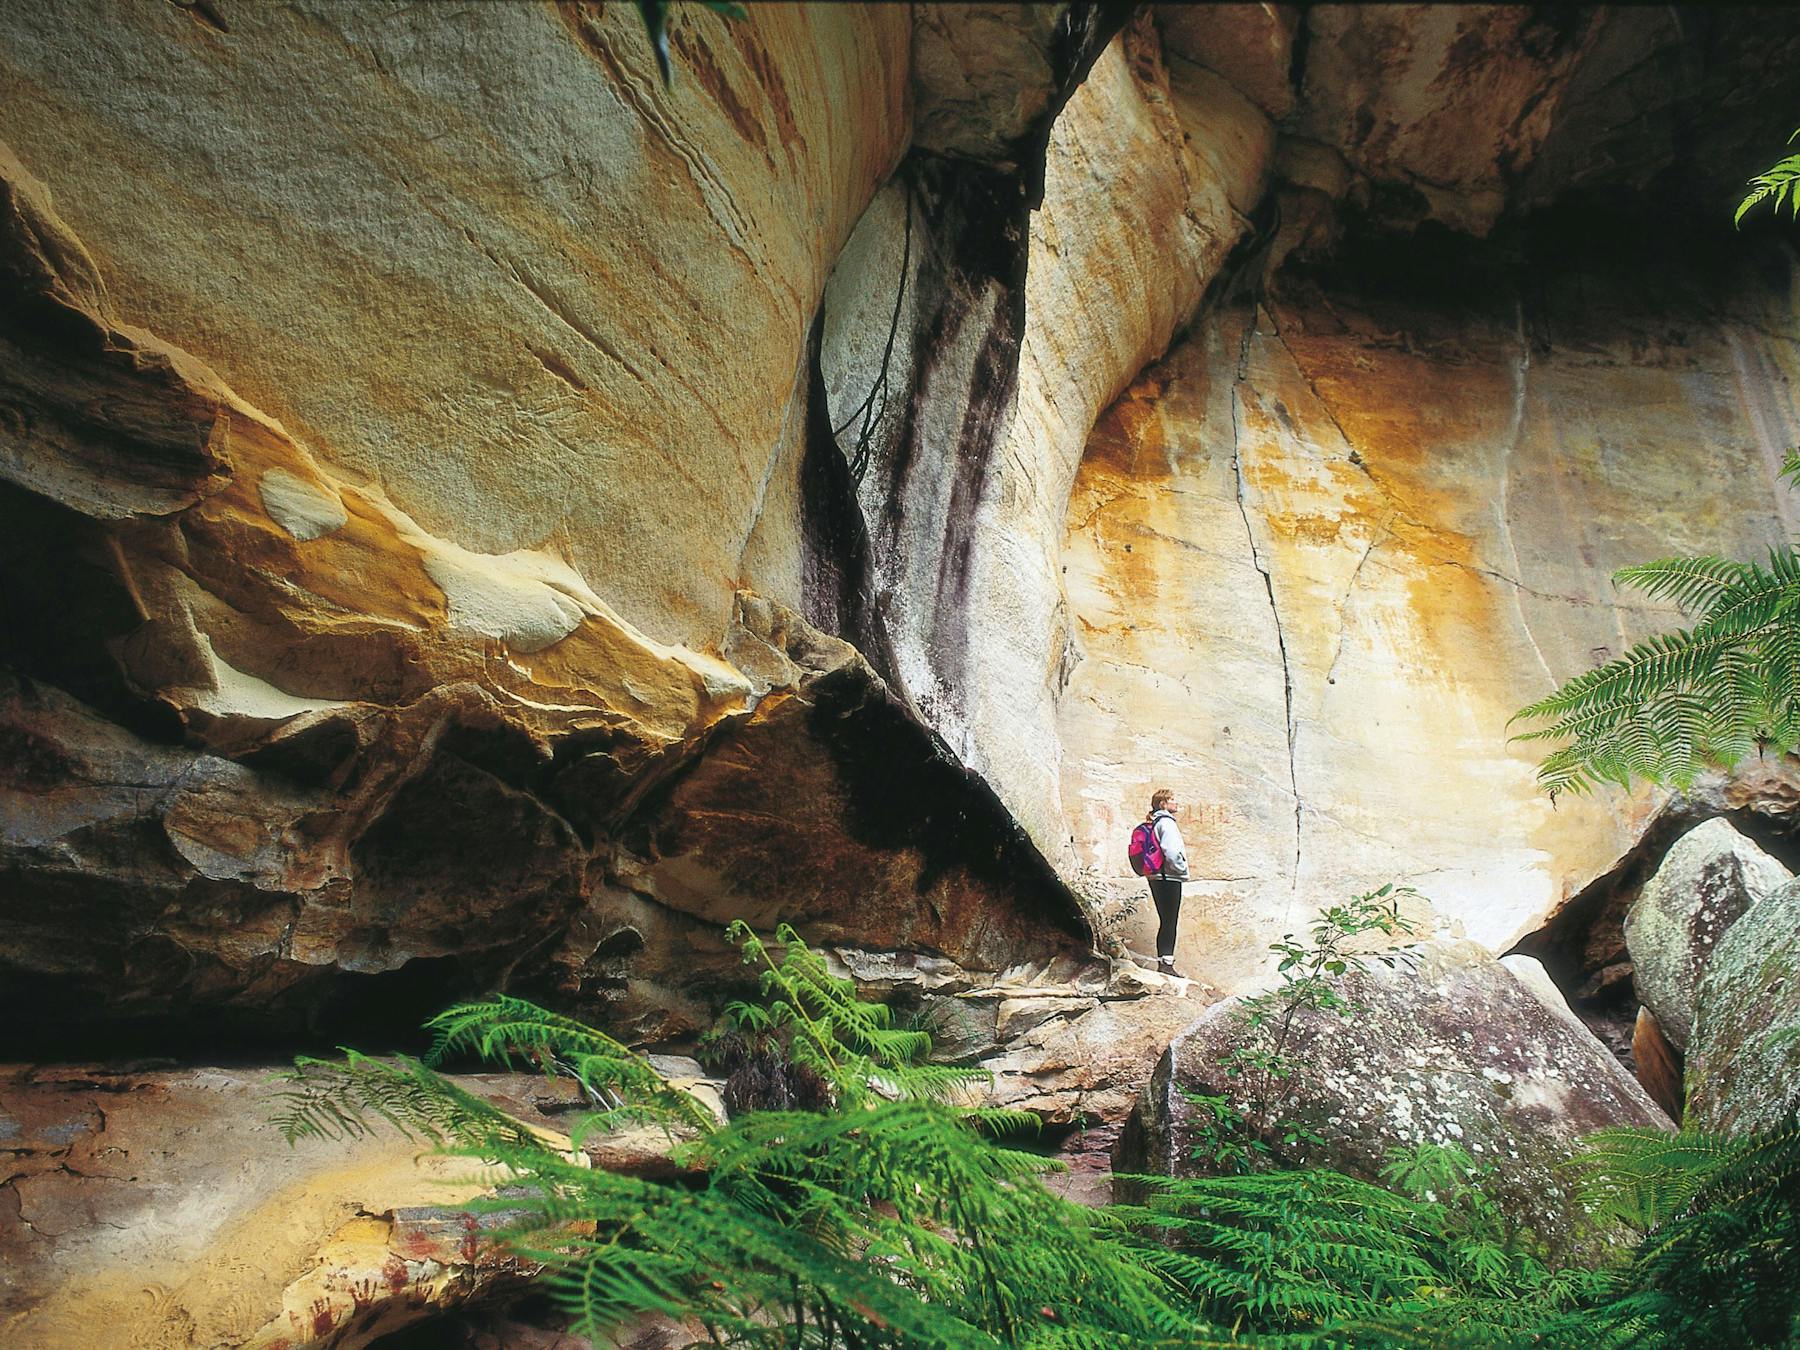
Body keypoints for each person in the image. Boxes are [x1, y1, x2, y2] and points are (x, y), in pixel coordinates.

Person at [1144, 788, 1189, 976]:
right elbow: (1171, 851)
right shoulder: (1167, 823)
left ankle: (1163, 961)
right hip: (1168, 876)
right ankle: (1167, 964)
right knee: (1170, 920)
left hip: (1156, 876)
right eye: (1172, 799)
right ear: (1163, 804)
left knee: (1165, 920)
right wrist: (1181, 869)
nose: (1176, 803)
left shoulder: (1154, 822)